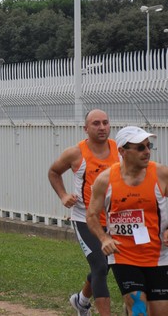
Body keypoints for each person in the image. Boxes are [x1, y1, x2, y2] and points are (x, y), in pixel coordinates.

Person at [87, 126, 168, 315]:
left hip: (159, 255)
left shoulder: (161, 174)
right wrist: (104, 238)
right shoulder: (105, 180)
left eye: (149, 146)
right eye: (140, 148)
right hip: (124, 254)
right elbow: (91, 215)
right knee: (139, 308)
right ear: (122, 151)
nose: (147, 152)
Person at [48, 109, 117, 316]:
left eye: (105, 122)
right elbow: (53, 172)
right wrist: (63, 195)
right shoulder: (75, 153)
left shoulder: (119, 150)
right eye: (96, 123)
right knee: (99, 266)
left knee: (106, 266)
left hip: (114, 219)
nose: (102, 127)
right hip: (85, 218)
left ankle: (81, 301)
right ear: (86, 128)